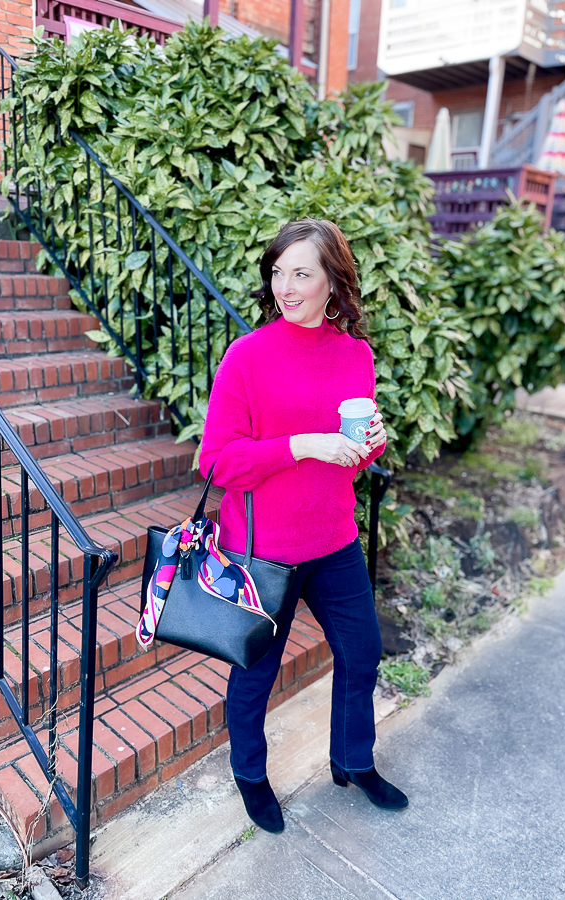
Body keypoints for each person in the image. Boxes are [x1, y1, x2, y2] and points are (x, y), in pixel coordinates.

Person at [199, 218, 408, 833]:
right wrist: (301, 444)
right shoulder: (247, 357)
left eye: (301, 273)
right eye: (277, 271)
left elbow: (349, 454)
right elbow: (216, 461)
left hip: (334, 540)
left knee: (363, 652)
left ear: (332, 283)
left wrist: (369, 444)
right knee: (255, 673)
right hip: (262, 552)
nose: (285, 286)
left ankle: (353, 760)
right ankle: (250, 775)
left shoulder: (355, 355)